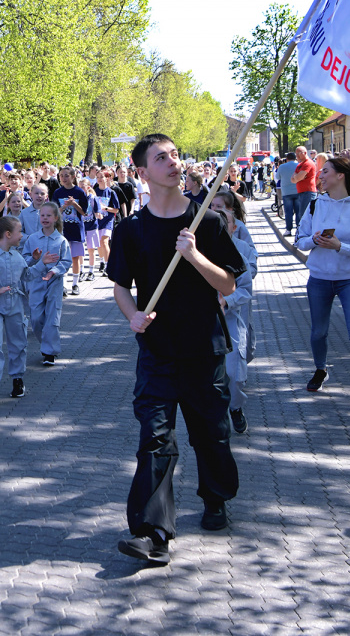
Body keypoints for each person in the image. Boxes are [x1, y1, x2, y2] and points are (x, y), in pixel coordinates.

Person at [109, 134, 244, 567]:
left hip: (204, 347)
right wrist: (132, 316)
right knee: (155, 439)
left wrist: (195, 256)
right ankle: (152, 532)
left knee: (210, 433)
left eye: (175, 155)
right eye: (161, 158)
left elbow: (228, 284)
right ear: (142, 172)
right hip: (157, 352)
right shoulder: (131, 229)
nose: (173, 162)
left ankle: (216, 497)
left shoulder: (206, 221)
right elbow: (121, 287)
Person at [295, 157, 350, 411]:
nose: (320, 175)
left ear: (340, 175)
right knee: (318, 332)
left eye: (325, 171)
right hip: (319, 279)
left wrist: (340, 246)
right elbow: (300, 240)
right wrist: (314, 240)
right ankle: (320, 370)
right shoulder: (314, 205)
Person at [0, 215, 52, 403]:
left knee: (18, 343)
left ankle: (18, 379)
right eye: (19, 232)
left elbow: (27, 275)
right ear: (8, 234)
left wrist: (39, 262)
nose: (22, 235)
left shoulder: (17, 256)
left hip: (15, 305)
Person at [209, 190, 257, 435]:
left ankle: (236, 407)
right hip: (205, 321)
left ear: (233, 226)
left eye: (223, 222)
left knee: (234, 373)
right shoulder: (200, 252)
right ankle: (214, 417)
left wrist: (226, 301)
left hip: (231, 319)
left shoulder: (240, 251)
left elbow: (246, 289)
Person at [21, 202, 70, 366]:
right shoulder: (32, 239)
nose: (45, 218)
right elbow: (24, 260)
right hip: (36, 282)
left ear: (56, 218)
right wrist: (34, 258)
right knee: (36, 318)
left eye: (49, 215)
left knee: (52, 318)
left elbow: (66, 261)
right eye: (42, 215)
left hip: (54, 283)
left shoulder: (61, 240)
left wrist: (54, 271)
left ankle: (49, 352)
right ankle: (46, 343)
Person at [54, 167, 88, 294]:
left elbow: (84, 212)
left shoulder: (79, 192)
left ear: (73, 177)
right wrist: (64, 206)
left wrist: (74, 204)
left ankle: (75, 284)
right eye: (61, 175)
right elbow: (55, 212)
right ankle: (62, 284)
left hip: (76, 229)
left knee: (75, 257)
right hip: (62, 230)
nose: (63, 178)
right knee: (62, 258)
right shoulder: (58, 192)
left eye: (66, 175)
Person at [292, 146, 317, 224]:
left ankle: (306, 231)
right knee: (301, 215)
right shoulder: (300, 165)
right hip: (302, 192)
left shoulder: (308, 163)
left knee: (305, 216)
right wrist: (297, 177)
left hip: (308, 192)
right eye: (296, 154)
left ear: (305, 153)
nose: (297, 156)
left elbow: (297, 177)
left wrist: (297, 177)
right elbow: (292, 179)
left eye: (298, 153)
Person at [277, 152, 299, 235]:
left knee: (288, 212)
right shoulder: (298, 165)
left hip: (286, 192)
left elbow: (277, 177)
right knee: (298, 212)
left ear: (287, 159)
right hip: (297, 190)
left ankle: (288, 230)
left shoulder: (282, 166)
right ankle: (299, 229)